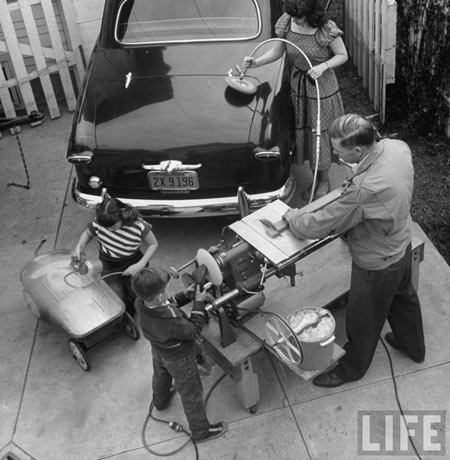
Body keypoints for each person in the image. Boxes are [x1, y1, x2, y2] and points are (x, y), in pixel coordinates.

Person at [283, 114, 426, 387]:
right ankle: (414, 347)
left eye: (338, 149)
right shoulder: (398, 147)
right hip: (400, 242)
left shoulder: (365, 189)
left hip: (376, 262)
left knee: (363, 318)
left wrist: (294, 219)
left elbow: (321, 224)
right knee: (404, 297)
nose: (335, 153)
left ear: (358, 150)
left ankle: (351, 368)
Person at [243, 0, 348, 200]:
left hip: (320, 88)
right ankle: (314, 172)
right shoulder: (288, 21)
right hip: (298, 87)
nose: (295, 21)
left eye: (298, 17)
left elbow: (342, 55)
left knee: (319, 133)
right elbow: (278, 50)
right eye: (292, 17)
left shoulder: (326, 29)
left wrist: (323, 66)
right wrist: (256, 62)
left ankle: (323, 180)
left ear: (311, 13)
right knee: (304, 132)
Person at [131, 267, 227, 443]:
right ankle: (201, 432)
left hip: (159, 349)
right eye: (164, 291)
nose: (165, 293)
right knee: (191, 394)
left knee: (161, 376)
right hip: (179, 359)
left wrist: (184, 295)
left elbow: (167, 302)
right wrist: (198, 303)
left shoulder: (140, 302)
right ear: (159, 295)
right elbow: (193, 331)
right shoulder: (171, 321)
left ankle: (160, 402)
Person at [73, 192, 158, 316]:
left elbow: (153, 244)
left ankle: (137, 309)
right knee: (115, 291)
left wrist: (140, 264)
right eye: (105, 228)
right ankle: (125, 313)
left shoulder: (139, 226)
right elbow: (88, 233)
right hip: (108, 263)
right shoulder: (99, 222)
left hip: (133, 261)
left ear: (123, 215)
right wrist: (79, 246)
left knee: (136, 291)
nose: (109, 230)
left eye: (113, 227)